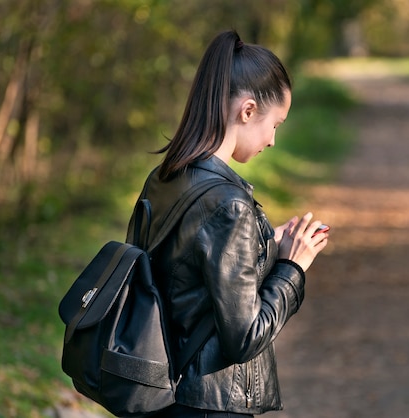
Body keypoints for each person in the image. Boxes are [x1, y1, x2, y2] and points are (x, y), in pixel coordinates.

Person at [128, 30, 329, 418]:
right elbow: (244, 337)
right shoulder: (229, 204)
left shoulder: (165, 177)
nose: (272, 140)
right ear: (248, 111)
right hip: (207, 403)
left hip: (160, 391)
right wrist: (292, 268)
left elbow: (185, 285)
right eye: (276, 124)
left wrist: (266, 244)